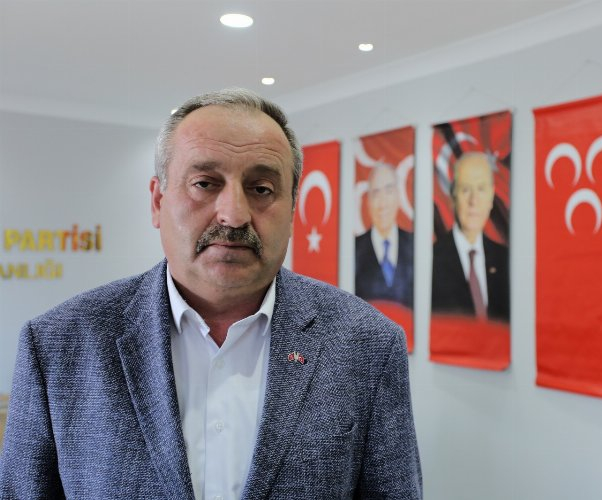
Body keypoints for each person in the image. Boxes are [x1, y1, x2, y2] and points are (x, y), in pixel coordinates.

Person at [0, 89, 422, 499]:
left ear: (293, 209)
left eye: (261, 189)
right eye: (204, 183)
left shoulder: (367, 344)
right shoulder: (57, 345)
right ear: (157, 201)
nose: (234, 215)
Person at [431, 152, 510, 321]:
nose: (474, 200)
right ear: (453, 197)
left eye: (481, 189)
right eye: (465, 189)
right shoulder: (430, 261)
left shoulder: (505, 261)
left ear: (491, 197)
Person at [355, 163, 414, 308]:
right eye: (376, 193)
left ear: (398, 197)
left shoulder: (415, 245)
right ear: (368, 202)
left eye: (389, 191)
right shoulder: (353, 249)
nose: (382, 203)